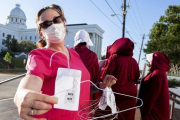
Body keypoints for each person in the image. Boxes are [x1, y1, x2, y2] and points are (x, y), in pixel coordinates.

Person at [14, 4, 116, 120]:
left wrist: (101, 85)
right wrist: (21, 94)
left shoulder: (74, 54)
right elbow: (32, 80)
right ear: (41, 32)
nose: (53, 25)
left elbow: (81, 87)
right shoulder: (40, 55)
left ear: (63, 23)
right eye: (46, 24)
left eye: (57, 20)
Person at [100, 38, 140, 120]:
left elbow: (106, 74)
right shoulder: (134, 61)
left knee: (111, 115)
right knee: (127, 115)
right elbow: (137, 77)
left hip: (116, 91)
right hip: (131, 92)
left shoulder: (114, 57)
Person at [138, 52, 171, 120]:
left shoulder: (157, 73)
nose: (150, 62)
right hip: (157, 109)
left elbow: (152, 94)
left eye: (151, 60)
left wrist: (145, 109)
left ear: (156, 61)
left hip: (154, 110)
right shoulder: (159, 72)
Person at [73, 30, 100, 100]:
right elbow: (95, 76)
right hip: (87, 89)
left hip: (71, 89)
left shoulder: (69, 53)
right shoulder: (93, 56)